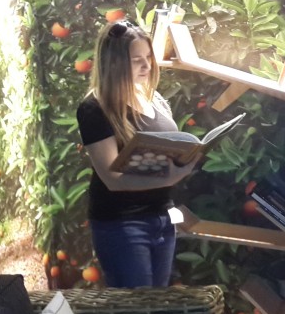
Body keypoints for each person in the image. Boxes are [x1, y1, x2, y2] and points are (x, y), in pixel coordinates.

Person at [76, 19, 199, 288]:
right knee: (137, 307)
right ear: (114, 63)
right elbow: (113, 179)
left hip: (162, 216)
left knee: (157, 304)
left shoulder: (155, 98)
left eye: (148, 58)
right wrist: (170, 177)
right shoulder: (95, 108)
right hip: (123, 223)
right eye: (136, 60)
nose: (147, 66)